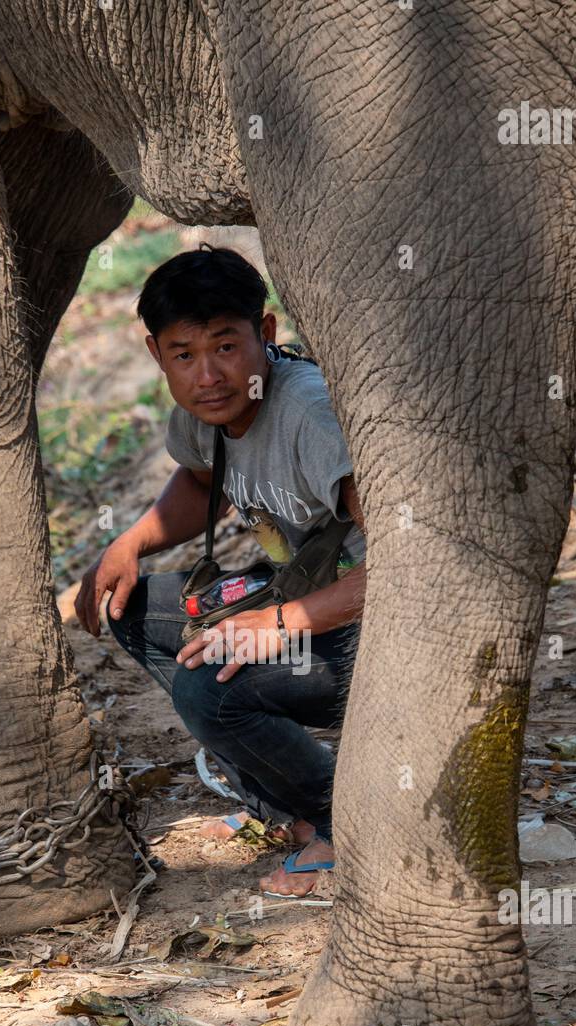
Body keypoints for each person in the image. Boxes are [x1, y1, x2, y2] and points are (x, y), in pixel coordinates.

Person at [75, 244, 366, 897]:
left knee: (209, 688)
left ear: (265, 333)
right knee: (138, 611)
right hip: (299, 602)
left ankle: (343, 825)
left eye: (225, 346)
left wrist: (280, 624)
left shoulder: (309, 415)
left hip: (376, 632)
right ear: (157, 355)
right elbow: (200, 475)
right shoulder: (207, 404)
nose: (208, 374)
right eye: (184, 354)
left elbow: (408, 564)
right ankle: (281, 810)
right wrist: (133, 542)